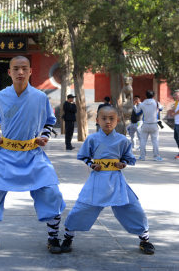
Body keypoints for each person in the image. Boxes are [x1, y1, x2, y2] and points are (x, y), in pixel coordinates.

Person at [0, 56, 65, 254]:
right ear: (9, 72)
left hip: (33, 154)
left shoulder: (40, 97)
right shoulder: (0, 97)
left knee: (51, 192)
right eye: (16, 69)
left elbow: (49, 120)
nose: (20, 73)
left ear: (31, 71)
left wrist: (44, 136)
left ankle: (53, 238)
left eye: (24, 68)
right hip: (5, 154)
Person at [60, 105, 155, 255]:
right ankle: (67, 238)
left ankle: (145, 239)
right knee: (82, 208)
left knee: (133, 208)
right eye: (104, 118)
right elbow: (84, 156)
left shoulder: (122, 140)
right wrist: (92, 164)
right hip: (97, 180)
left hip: (117, 180)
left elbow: (128, 158)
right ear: (97, 120)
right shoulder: (92, 138)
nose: (108, 122)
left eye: (111, 119)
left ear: (117, 120)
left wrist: (122, 163)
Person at [136, 90, 163, 161]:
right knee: (155, 141)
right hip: (154, 124)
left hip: (145, 124)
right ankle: (156, 157)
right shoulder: (156, 103)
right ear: (153, 96)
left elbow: (137, 113)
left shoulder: (142, 104)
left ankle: (142, 156)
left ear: (146, 95)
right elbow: (161, 109)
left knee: (143, 140)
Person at [171, 90, 179, 159]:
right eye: (175, 95)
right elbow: (175, 109)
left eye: (176, 95)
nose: (175, 96)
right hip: (176, 122)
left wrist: (174, 113)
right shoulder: (176, 102)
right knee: (176, 137)